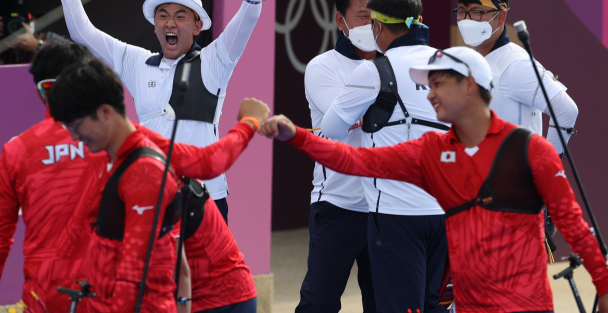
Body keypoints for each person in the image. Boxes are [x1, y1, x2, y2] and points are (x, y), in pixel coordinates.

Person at [260, 46, 608, 313]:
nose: (429, 94)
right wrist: (297, 136)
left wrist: (604, 287)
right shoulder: (431, 151)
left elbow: (575, 227)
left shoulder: (532, 152)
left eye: (438, 83)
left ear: (469, 86)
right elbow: (356, 160)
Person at [55, 0, 268, 223]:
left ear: (197, 27)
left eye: (180, 16)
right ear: (154, 24)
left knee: (207, 272)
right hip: (153, 193)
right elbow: (82, 33)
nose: (170, 23)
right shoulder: (135, 61)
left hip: (207, 195)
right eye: (163, 15)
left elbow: (251, 11)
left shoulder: (216, 59)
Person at [48, 58, 269, 313]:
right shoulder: (116, 151)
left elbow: (211, 163)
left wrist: (249, 123)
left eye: (75, 126)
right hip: (190, 295)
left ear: (105, 112)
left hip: (220, 299)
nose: (74, 137)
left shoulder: (145, 166)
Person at [320, 0, 448, 312]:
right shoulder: (451, 64)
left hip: (396, 215)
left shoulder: (373, 71)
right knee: (431, 305)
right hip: (446, 211)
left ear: (378, 26)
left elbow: (331, 131)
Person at [0, 40, 107, 313]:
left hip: (44, 300)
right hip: (108, 297)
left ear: (40, 91)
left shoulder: (17, 150)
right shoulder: (113, 140)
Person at [298, 0, 381, 313]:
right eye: (363, 14)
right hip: (338, 204)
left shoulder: (394, 64)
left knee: (382, 303)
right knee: (319, 302)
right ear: (341, 20)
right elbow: (343, 120)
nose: (371, 23)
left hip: (385, 206)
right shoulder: (323, 67)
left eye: (378, 15)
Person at [454, 0, 578, 155]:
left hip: (512, 181)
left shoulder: (516, 64)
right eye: (461, 11)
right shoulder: (471, 63)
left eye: (476, 12)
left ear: (501, 16)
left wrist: (547, 165)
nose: (466, 20)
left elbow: (566, 110)